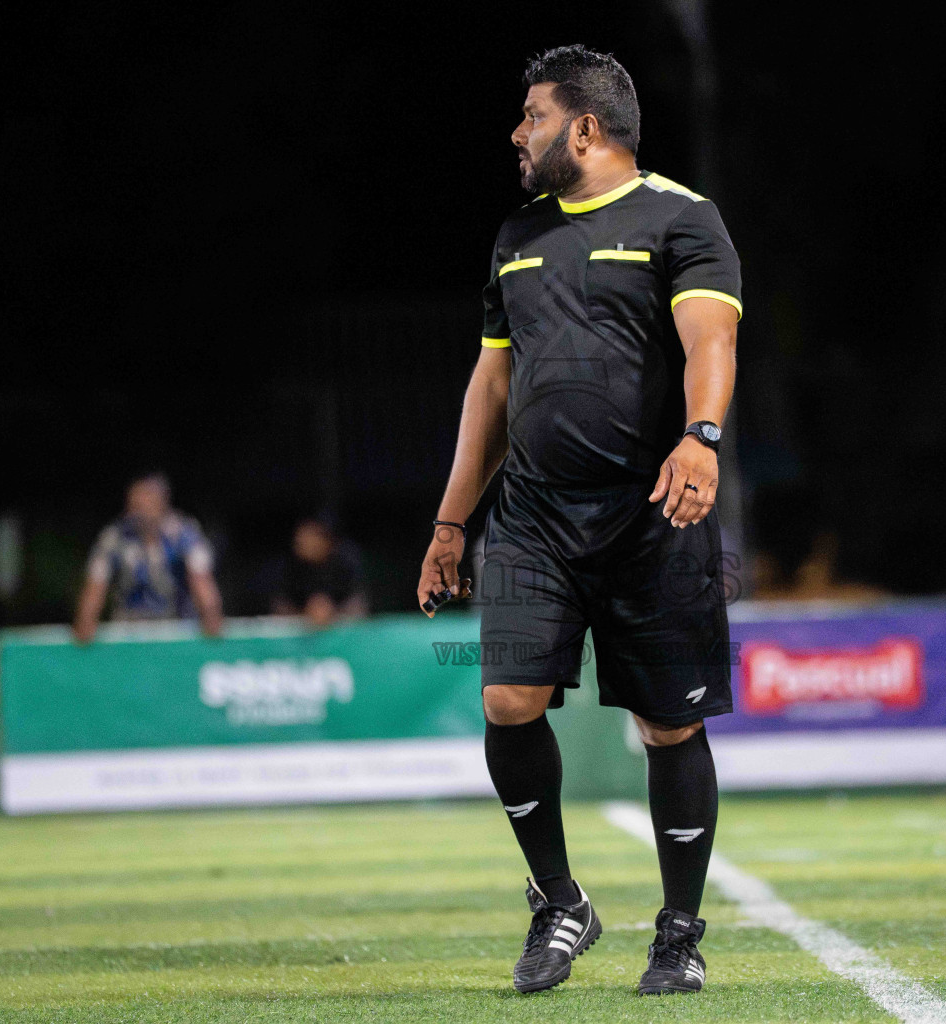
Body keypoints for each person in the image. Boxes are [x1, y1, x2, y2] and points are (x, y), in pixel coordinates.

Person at [414, 45, 741, 996]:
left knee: (666, 727)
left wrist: (703, 437)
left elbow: (709, 337)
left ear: (585, 127)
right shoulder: (517, 235)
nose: (519, 135)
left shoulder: (683, 220)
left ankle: (678, 933)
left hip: (653, 518)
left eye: (532, 116)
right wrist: (448, 525)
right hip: (533, 523)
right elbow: (491, 383)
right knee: (507, 702)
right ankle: (560, 901)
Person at [73, 473, 223, 643]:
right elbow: (96, 584)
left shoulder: (184, 534)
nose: (140, 511)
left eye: (147, 502)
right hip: (128, 632)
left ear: (162, 502)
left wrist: (211, 612)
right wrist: (86, 617)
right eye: (135, 505)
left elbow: (202, 580)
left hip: (176, 629)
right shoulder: (114, 538)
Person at [269, 516, 367, 627]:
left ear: (326, 541)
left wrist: (333, 614)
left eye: (309, 537)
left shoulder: (345, 563)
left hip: (341, 630)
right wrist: (304, 615)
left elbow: (358, 604)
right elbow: (280, 605)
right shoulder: (290, 566)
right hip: (300, 633)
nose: (301, 542)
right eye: (299, 539)